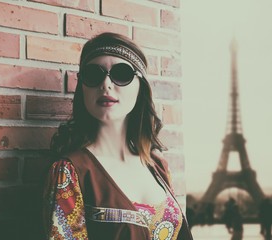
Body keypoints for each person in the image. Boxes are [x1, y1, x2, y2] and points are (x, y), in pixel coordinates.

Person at [43, 32, 194, 240]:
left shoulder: (158, 166)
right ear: (82, 88)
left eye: (122, 74)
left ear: (140, 87)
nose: (106, 84)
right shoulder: (70, 172)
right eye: (93, 74)